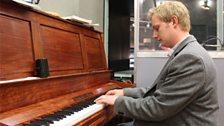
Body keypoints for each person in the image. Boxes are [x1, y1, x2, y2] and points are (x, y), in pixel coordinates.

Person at [95, 1, 219, 126]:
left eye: (157, 28)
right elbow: (160, 92)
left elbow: (157, 108)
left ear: (174, 22)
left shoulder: (191, 58)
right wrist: (124, 92)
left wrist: (118, 101)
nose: (154, 35)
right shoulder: (186, 52)